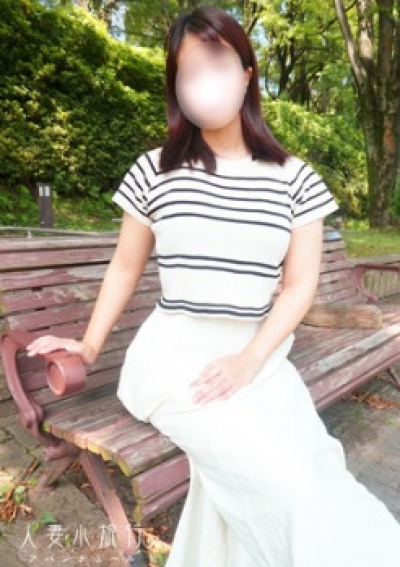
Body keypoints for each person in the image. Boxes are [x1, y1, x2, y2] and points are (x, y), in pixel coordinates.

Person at [27, 6, 400, 567]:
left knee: (314, 472)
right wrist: (89, 345)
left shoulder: (296, 179)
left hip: (260, 359)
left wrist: (248, 361)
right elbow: (125, 267)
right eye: (190, 70)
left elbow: (299, 287)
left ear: (247, 74)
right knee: (282, 484)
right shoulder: (154, 170)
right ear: (176, 88)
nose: (205, 80)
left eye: (218, 63)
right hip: (172, 361)